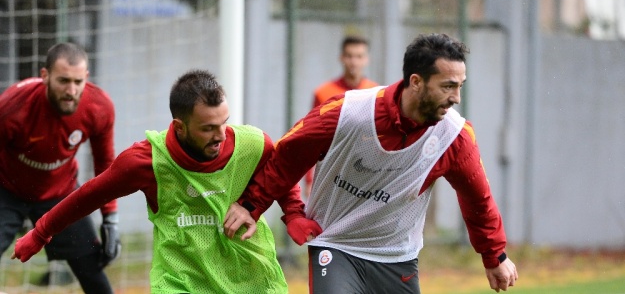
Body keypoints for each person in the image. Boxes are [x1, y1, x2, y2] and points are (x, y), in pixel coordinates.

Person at [235, 33, 519, 293]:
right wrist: (254, 205)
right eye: (447, 86)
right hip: (336, 244)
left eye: (459, 86)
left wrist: (495, 255)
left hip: (397, 255)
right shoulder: (349, 111)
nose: (456, 98)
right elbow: (288, 155)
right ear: (416, 82)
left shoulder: (455, 137)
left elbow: (478, 199)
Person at [12, 69, 309, 293]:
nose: (220, 135)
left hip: (251, 278)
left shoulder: (252, 144)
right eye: (208, 128)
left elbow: (280, 171)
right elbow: (88, 196)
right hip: (181, 280)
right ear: (180, 127)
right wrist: (41, 233)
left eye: (224, 122)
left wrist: (293, 211)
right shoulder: (145, 162)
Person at [0, 42, 119, 294]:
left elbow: (106, 164)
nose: (71, 90)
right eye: (63, 81)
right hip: (7, 191)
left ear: (86, 77)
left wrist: (110, 219)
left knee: (94, 272)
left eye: (78, 82)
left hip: (59, 194)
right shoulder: (12, 107)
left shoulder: (99, 108)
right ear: (45, 76)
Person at [304, 35, 379, 197]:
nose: (354, 62)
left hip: (363, 173)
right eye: (350, 56)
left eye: (359, 56)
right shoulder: (323, 93)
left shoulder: (376, 94)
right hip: (330, 170)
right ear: (341, 58)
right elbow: (312, 138)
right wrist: (310, 180)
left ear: (367, 60)